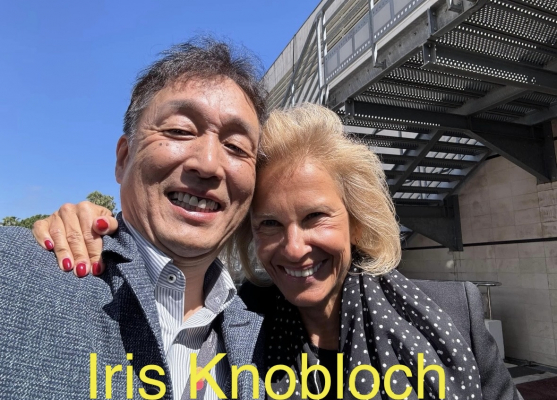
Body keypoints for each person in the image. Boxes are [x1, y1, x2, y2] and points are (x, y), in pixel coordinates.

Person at [33, 104, 519, 399]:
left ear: (356, 222)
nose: (294, 247)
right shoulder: (234, 321)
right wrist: (89, 226)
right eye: (269, 224)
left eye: (315, 217)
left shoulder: (454, 313)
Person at [0, 37, 268, 400]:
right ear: (123, 158)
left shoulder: (265, 334)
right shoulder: (14, 274)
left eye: (236, 147)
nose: (208, 164)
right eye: (179, 130)